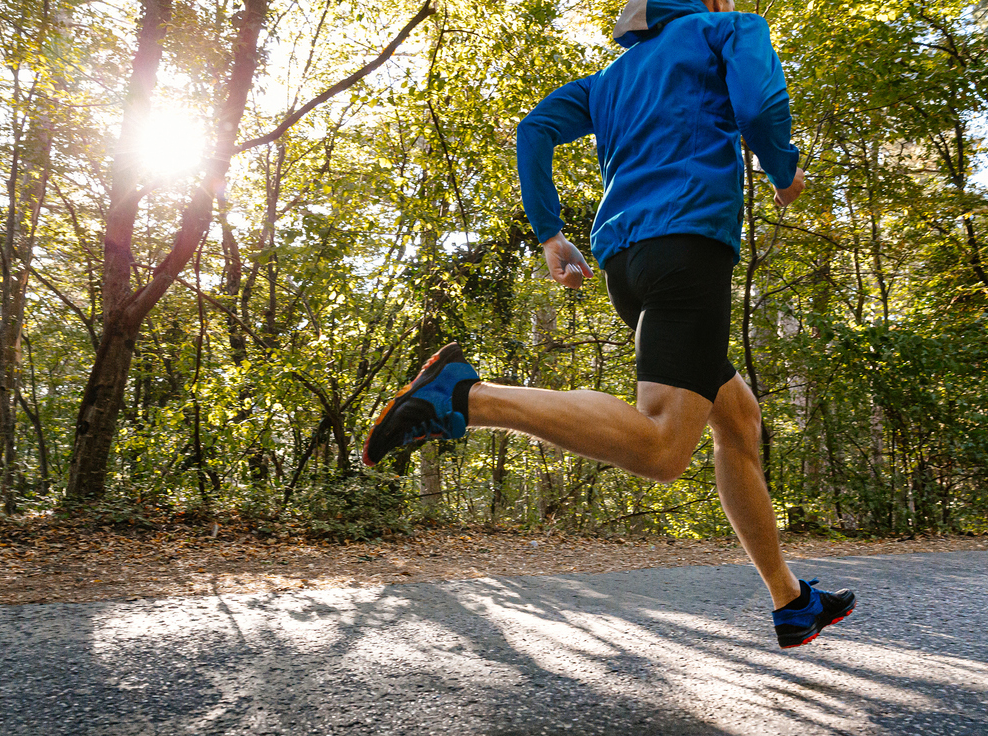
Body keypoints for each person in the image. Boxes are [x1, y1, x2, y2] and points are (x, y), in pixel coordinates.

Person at [363, 0, 854, 648]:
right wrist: (783, 169)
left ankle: (790, 601)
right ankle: (464, 395)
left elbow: (534, 128)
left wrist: (549, 236)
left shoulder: (608, 82)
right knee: (660, 445)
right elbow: (759, 109)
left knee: (737, 419)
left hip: (626, 265)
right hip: (689, 249)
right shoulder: (727, 28)